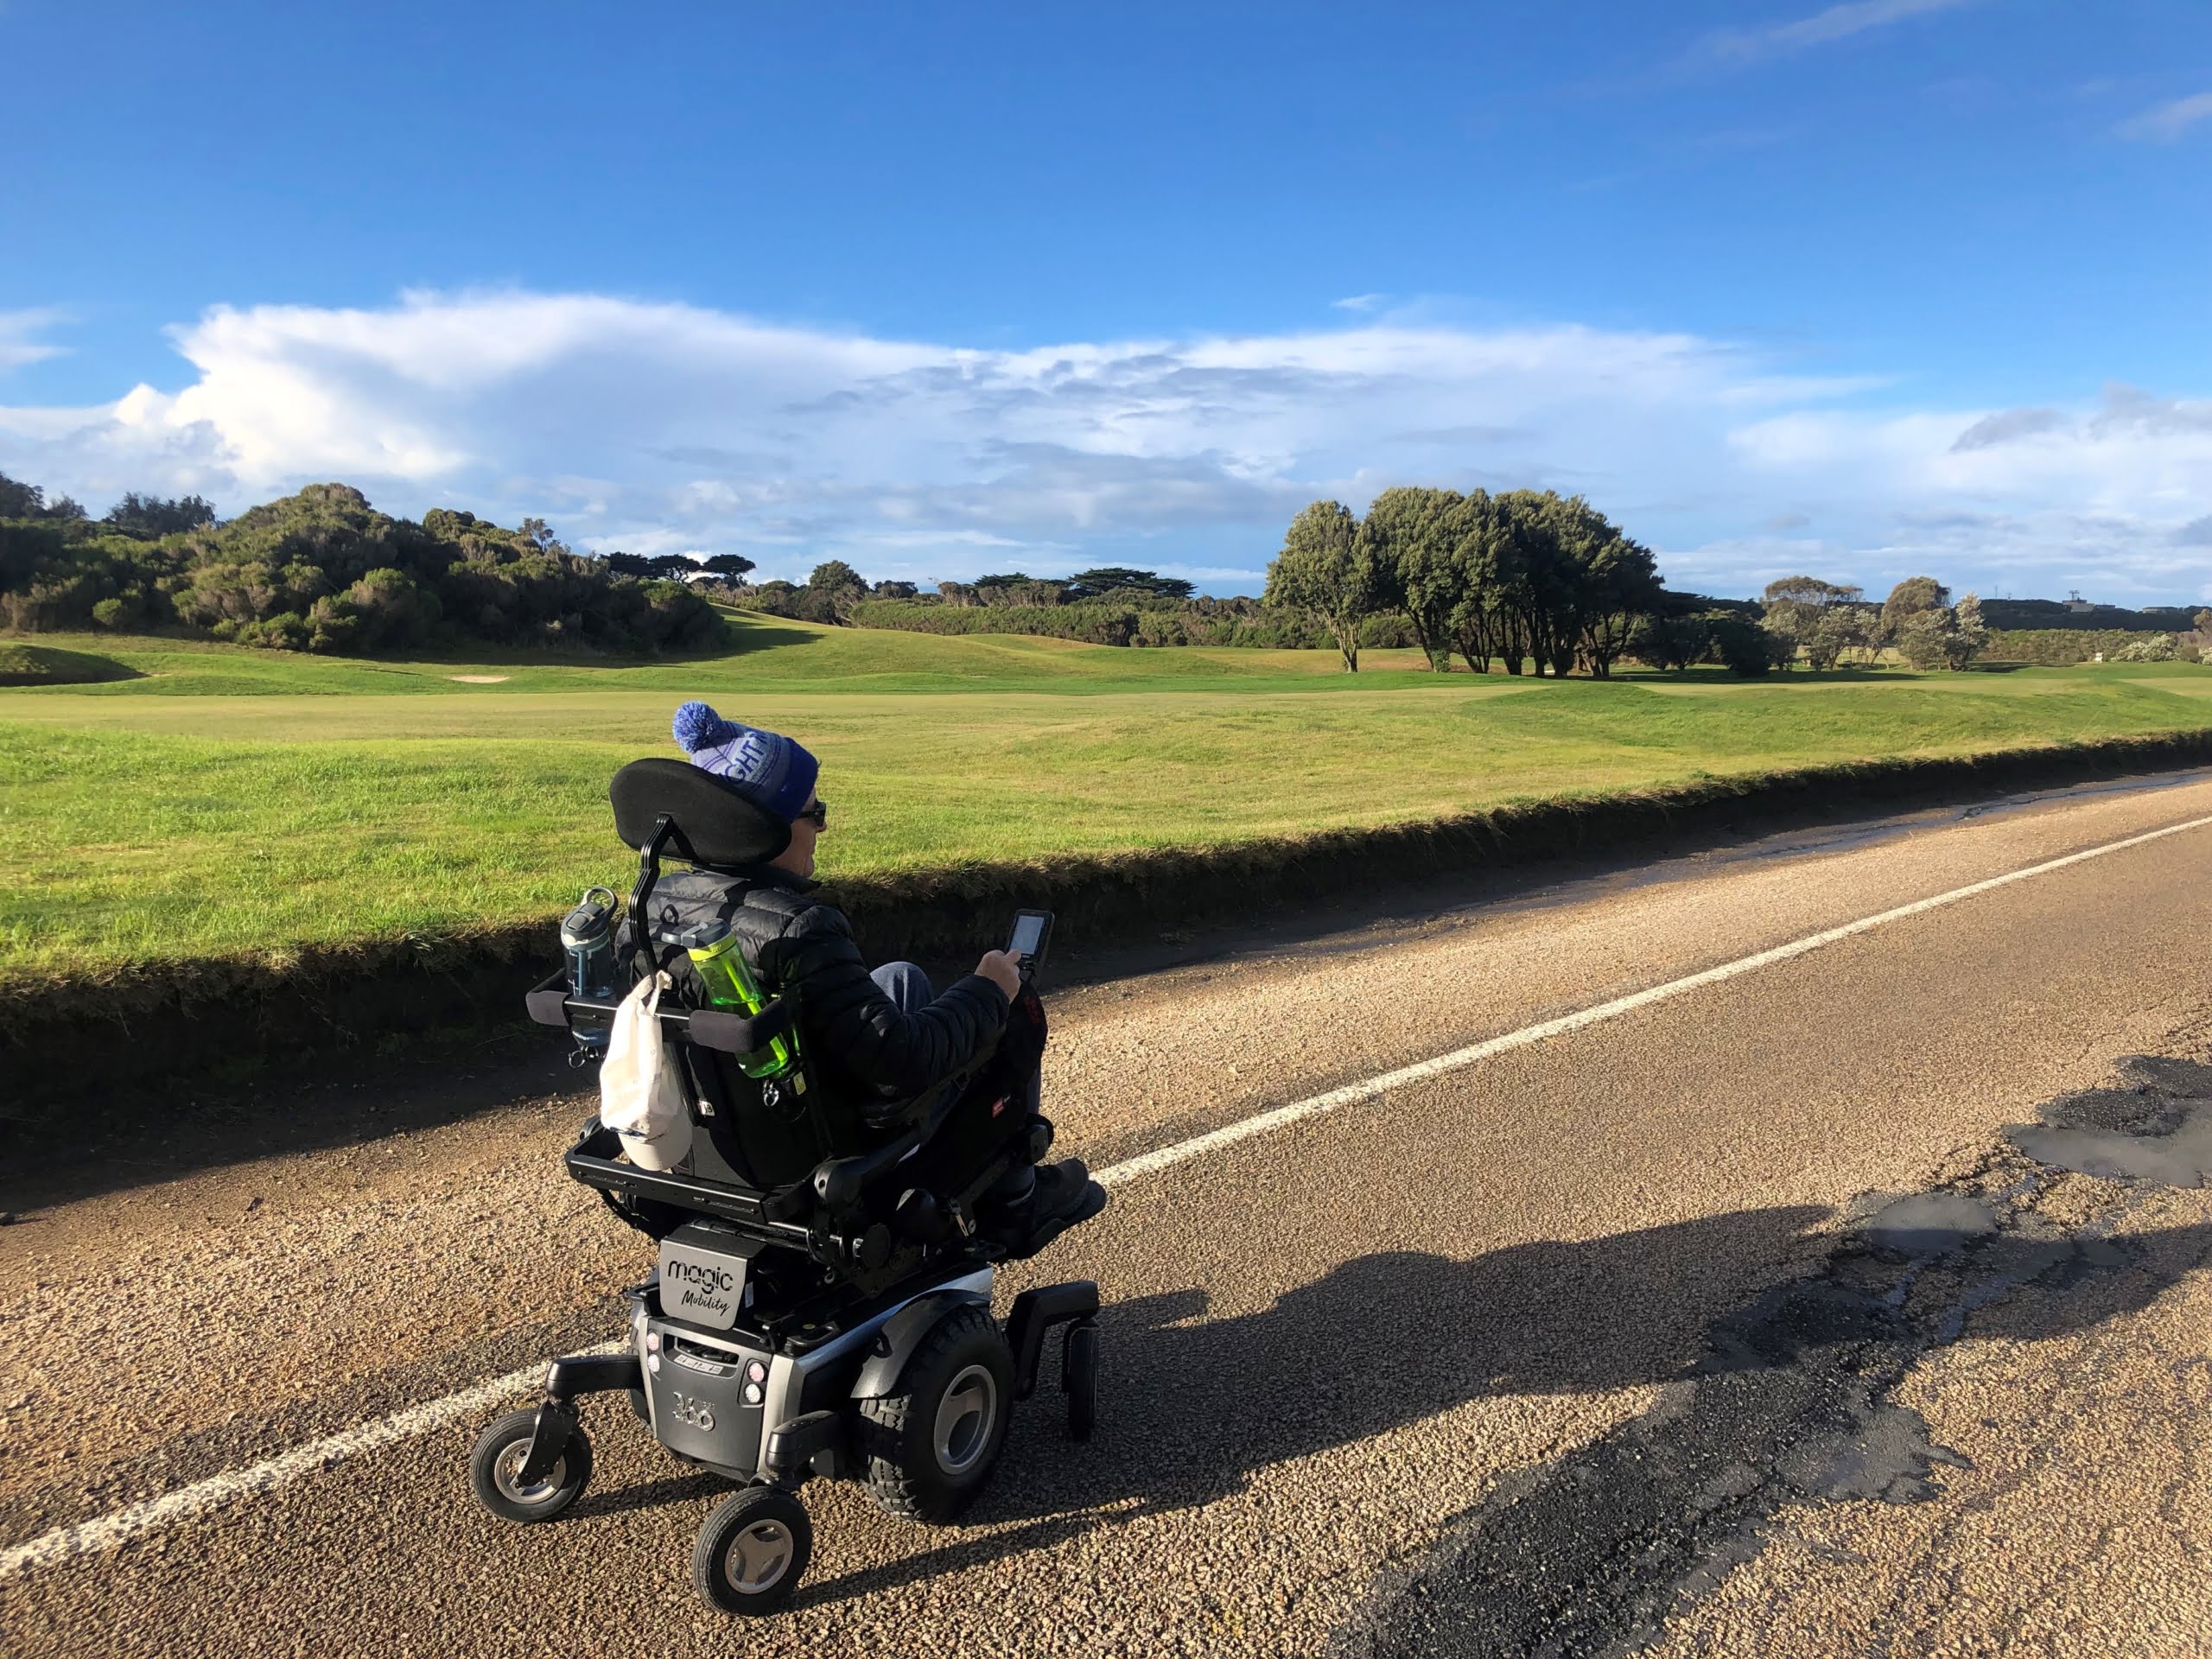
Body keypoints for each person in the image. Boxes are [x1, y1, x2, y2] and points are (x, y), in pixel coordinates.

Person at [671, 701, 1106, 1248]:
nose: (823, 826)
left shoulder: (655, 909)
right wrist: (989, 987)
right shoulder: (799, 927)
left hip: (725, 1135)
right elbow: (904, 1063)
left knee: (899, 978)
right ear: (769, 828)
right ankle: (1015, 1198)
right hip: (825, 1150)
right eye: (814, 811)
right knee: (1013, 1013)